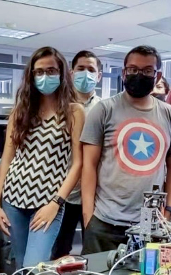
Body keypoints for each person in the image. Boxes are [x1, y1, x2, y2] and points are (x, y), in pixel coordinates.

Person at [80, 45, 171, 254]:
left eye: (147, 70)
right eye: (133, 69)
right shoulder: (103, 110)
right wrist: (88, 216)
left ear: (157, 75)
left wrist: (168, 211)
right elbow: (89, 166)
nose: (139, 74)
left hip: (151, 225)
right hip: (105, 222)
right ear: (124, 72)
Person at [0, 47, 84, 269]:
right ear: (31, 76)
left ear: (62, 74)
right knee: (22, 266)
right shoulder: (20, 112)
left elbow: (78, 163)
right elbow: (7, 158)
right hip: (13, 198)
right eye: (39, 72)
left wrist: (56, 202)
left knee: (35, 268)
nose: (45, 77)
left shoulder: (74, 112)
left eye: (51, 70)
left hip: (48, 202)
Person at [52, 50, 102, 259]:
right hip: (64, 190)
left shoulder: (104, 108)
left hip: (96, 192)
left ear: (99, 76)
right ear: (71, 73)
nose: (86, 74)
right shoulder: (57, 106)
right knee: (59, 250)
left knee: (93, 250)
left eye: (91, 69)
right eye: (81, 69)